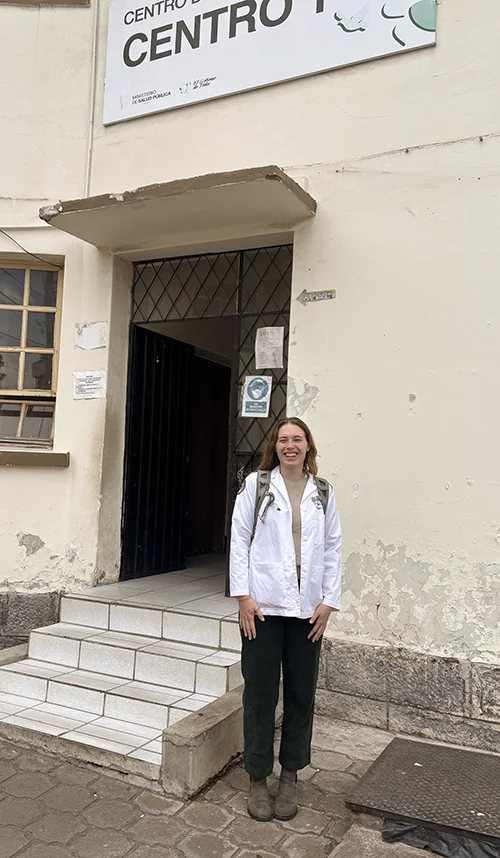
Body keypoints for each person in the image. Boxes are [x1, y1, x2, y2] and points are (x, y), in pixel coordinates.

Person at [230, 417, 342, 822]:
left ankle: (290, 773)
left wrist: (329, 602)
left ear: (308, 446)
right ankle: (258, 777)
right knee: (259, 694)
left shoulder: (323, 493)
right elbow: (238, 539)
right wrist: (243, 596)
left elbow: (332, 548)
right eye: (283, 440)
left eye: (297, 439)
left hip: (307, 610)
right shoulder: (256, 486)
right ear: (274, 447)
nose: (290, 445)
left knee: (300, 693)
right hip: (262, 607)